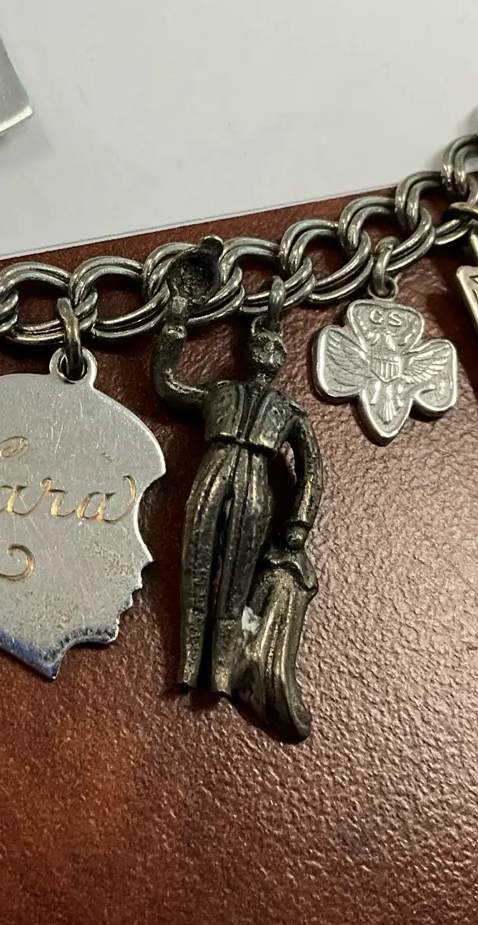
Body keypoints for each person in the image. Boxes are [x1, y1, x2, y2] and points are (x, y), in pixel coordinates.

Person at [152, 239, 324, 741]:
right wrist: (175, 322)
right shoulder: (220, 392)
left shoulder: (289, 412)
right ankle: (189, 663)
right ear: (250, 353)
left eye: (275, 350)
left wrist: (299, 524)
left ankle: (223, 671)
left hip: (255, 483)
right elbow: (166, 384)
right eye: (261, 348)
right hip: (214, 470)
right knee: (196, 560)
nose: (267, 355)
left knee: (237, 577)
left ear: (281, 359)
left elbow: (312, 470)